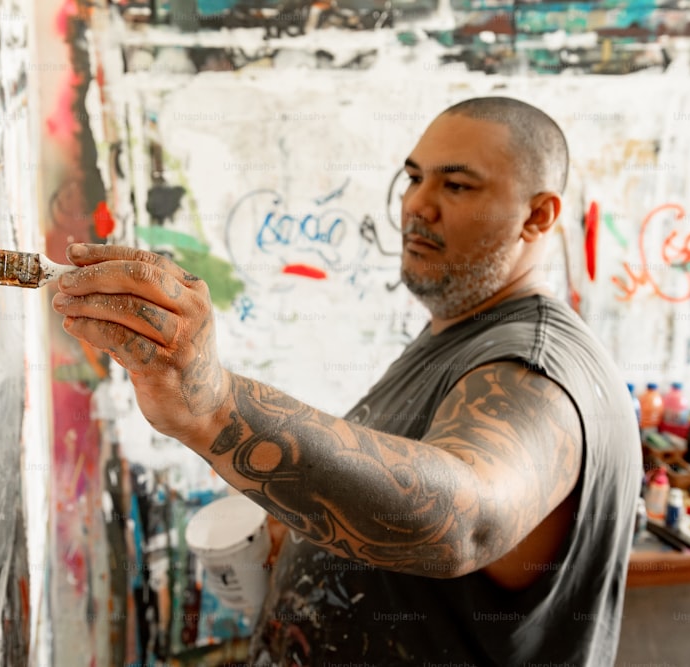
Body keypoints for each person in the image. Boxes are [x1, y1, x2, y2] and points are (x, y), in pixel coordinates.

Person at [51, 96, 642, 665]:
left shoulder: (536, 367)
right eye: (414, 178)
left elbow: (464, 519)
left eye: (456, 185)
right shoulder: (460, 333)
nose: (419, 205)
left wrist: (215, 409)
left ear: (538, 216)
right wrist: (305, 531)